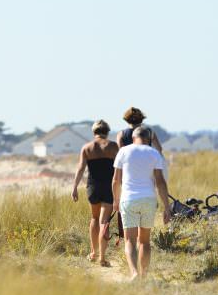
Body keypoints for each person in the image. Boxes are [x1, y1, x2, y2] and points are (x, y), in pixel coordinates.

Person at [112, 126, 171, 280]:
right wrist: (167, 207)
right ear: (149, 140)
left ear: (133, 138)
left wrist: (115, 201)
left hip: (128, 199)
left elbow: (116, 180)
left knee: (130, 240)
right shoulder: (154, 153)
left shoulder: (123, 151)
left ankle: (134, 273)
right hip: (148, 199)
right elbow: (160, 182)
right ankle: (144, 275)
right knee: (144, 241)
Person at [72, 120, 119, 267]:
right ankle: (102, 258)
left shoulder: (87, 147)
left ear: (94, 133)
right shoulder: (113, 146)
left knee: (94, 218)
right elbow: (121, 168)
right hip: (108, 186)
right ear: (107, 131)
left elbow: (80, 169)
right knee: (104, 221)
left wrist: (74, 187)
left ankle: (93, 252)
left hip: (92, 186)